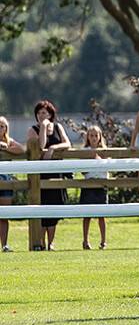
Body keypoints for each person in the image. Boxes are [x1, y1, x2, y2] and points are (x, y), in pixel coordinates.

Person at [27, 101, 72, 251]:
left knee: (54, 208)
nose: (41, 115)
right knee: (42, 207)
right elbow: (40, 145)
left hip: (56, 172)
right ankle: (41, 242)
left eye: (44, 113)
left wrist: (53, 148)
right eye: (39, 113)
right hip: (40, 174)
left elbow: (67, 144)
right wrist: (44, 128)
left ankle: (51, 242)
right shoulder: (33, 130)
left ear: (51, 114)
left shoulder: (58, 127)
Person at [80, 125, 109, 250]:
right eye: (91, 135)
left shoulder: (104, 151)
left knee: (101, 215)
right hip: (88, 184)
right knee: (87, 215)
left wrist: (100, 160)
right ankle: (85, 241)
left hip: (101, 184)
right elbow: (82, 171)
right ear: (87, 137)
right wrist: (90, 161)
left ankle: (103, 241)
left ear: (100, 137)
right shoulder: (85, 151)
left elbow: (108, 166)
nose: (93, 138)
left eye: (96, 135)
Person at [1, 116, 25, 252]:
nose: (0, 128)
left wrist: (4, 149)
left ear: (6, 129)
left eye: (2, 126)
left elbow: (21, 150)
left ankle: (4, 245)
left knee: (4, 215)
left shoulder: (9, 142)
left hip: (5, 181)